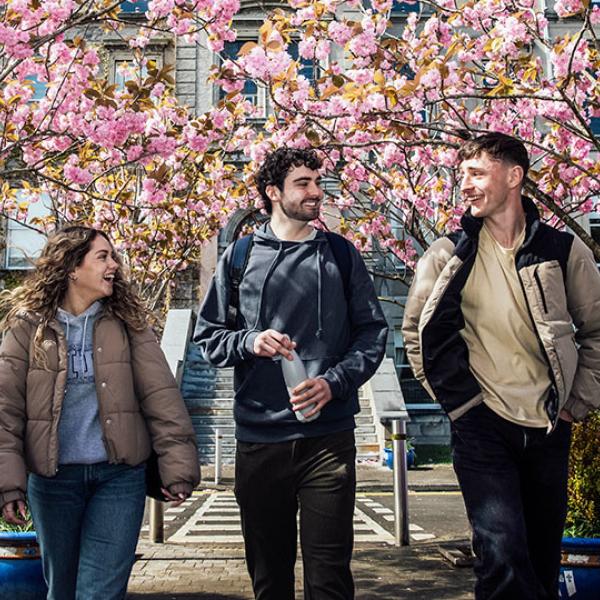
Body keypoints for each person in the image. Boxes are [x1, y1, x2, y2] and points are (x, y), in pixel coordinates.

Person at [402, 132, 600, 600]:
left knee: (540, 557)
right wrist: (461, 406)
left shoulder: (562, 250)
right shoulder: (446, 254)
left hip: (550, 423)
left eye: (476, 173)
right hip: (481, 424)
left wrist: (575, 404)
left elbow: (596, 331)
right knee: (501, 555)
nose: (464, 185)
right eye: (460, 175)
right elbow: (416, 333)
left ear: (514, 177)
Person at [195, 147, 388, 600]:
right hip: (260, 440)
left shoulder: (341, 254)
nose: (315, 192)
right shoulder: (239, 257)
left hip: (329, 440)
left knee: (330, 579)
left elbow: (372, 333)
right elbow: (209, 338)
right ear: (273, 193)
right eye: (303, 183)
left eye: (317, 182)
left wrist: (334, 382)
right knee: (269, 579)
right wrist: (250, 340)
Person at [0, 226, 201, 600]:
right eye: (103, 256)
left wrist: (177, 466)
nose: (114, 264)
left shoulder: (128, 322)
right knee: (62, 590)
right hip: (52, 479)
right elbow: (5, 410)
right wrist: (9, 483)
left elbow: (161, 396)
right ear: (72, 267)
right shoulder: (27, 325)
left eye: (114, 256)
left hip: (118, 478)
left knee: (100, 592)